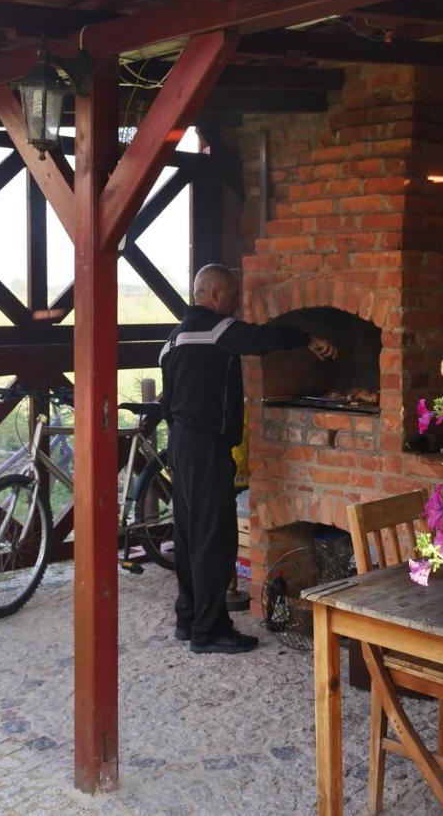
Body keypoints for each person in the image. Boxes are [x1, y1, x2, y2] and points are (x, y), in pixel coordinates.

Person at [160, 264, 337, 654]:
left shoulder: (172, 341)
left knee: (189, 535)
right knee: (214, 539)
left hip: (180, 444)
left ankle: (188, 619)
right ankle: (210, 632)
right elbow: (261, 339)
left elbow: (166, 401)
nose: (237, 304)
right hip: (206, 448)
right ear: (215, 295)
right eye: (234, 296)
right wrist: (306, 337)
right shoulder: (217, 329)